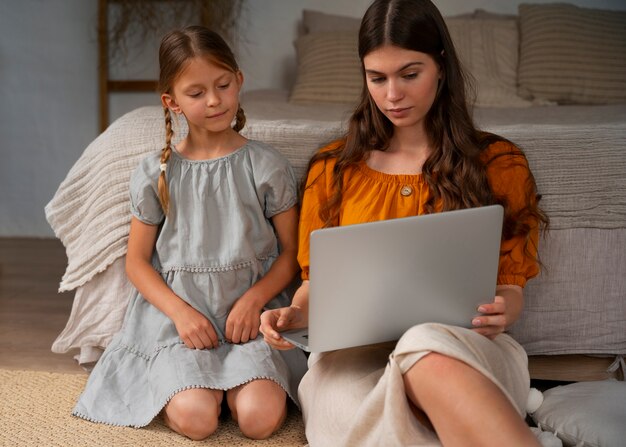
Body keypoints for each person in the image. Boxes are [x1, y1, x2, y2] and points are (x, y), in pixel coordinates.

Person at [260, 0, 549, 446]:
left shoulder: (499, 164)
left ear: (442, 68)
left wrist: (502, 311)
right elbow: (318, 283)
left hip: (462, 349)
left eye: (410, 74)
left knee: (426, 348)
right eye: (377, 78)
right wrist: (293, 316)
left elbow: (510, 288)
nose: (392, 94)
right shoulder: (333, 169)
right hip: (352, 362)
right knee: (347, 409)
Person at [72, 26, 307, 441]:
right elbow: (137, 262)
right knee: (198, 421)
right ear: (172, 102)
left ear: (239, 80)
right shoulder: (155, 173)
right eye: (196, 93)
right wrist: (181, 314)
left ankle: (238, 383)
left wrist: (254, 300)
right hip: (177, 319)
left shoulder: (266, 165)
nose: (214, 100)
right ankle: (201, 388)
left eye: (223, 85)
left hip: (250, 315)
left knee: (259, 420)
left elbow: (291, 254)